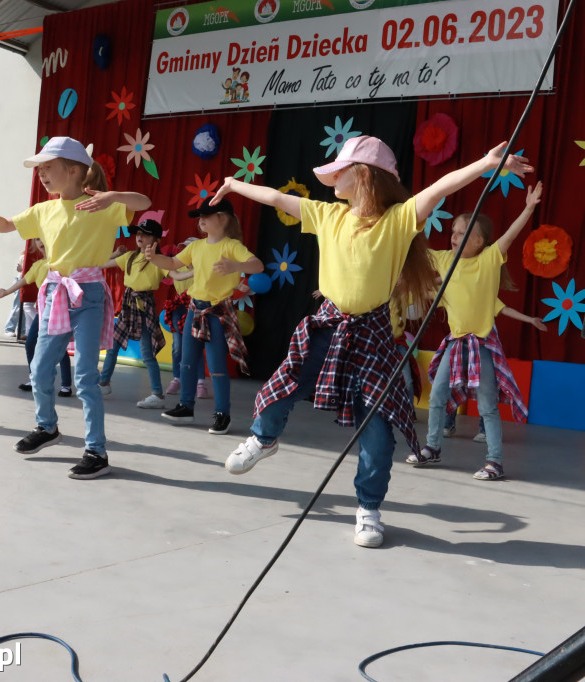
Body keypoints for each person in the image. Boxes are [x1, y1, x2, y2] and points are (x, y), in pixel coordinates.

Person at [214, 135, 534, 547]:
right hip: (330, 323)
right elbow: (276, 198)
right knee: (286, 380)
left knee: (377, 426)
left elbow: (442, 188)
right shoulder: (328, 214)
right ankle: (263, 437)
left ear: (362, 176)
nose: (331, 176)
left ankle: (368, 508)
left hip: (374, 332)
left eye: (340, 169)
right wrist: (234, 183)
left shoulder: (398, 220)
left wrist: (487, 164)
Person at [0, 136, 151, 480]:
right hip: (57, 292)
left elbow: (143, 200)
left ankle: (96, 451)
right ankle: (47, 427)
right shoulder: (44, 210)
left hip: (88, 295)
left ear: (73, 171)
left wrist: (112, 196)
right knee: (40, 368)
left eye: (47, 167)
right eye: (38, 169)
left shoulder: (103, 205)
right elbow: (8, 225)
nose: (41, 174)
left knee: (85, 376)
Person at [410, 190, 541, 479]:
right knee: (437, 395)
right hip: (455, 344)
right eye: (454, 232)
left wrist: (528, 208)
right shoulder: (443, 260)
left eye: (463, 233)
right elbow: (415, 247)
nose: (454, 237)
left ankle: (494, 461)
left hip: (481, 344)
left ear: (480, 241)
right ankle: (432, 447)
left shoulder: (489, 261)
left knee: (487, 405)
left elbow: (508, 235)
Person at [144, 197, 263, 435]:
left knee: (217, 365)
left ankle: (222, 414)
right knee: (187, 361)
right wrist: (153, 257)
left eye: (206, 216)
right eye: (200, 217)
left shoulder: (231, 246)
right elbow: (173, 262)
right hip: (194, 310)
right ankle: (186, 406)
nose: (201, 221)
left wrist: (234, 266)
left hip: (217, 312)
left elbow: (257, 266)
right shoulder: (196, 247)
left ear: (223, 218)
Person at [443, 299, 548, 441]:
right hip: (461, 345)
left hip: (484, 346)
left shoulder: (486, 294)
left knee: (486, 388)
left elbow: (505, 309)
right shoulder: (457, 290)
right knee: (453, 383)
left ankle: (485, 431)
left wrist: (530, 320)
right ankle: (447, 424)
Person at [0, 238, 74, 397]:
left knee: (60, 347)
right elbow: (23, 280)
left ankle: (66, 385)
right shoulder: (37, 266)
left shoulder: (62, 261)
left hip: (59, 310)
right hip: (43, 312)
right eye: (37, 239)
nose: (40, 241)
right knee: (30, 343)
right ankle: (34, 377)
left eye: (43, 237)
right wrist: (6, 292)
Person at [98, 219, 168, 408]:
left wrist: (193, 272)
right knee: (113, 345)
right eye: (138, 233)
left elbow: (177, 273)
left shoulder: (158, 261)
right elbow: (103, 264)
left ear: (156, 240)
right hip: (129, 305)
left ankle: (157, 394)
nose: (140, 236)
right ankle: (103, 383)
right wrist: (115, 253)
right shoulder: (129, 256)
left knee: (147, 353)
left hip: (144, 306)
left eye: (145, 234)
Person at [160, 239, 210, 399]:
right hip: (180, 308)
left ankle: (200, 382)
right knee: (177, 346)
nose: (187, 252)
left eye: (190, 249)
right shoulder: (178, 266)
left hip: (197, 307)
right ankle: (177, 378)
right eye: (184, 249)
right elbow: (177, 276)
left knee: (197, 345)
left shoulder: (204, 267)